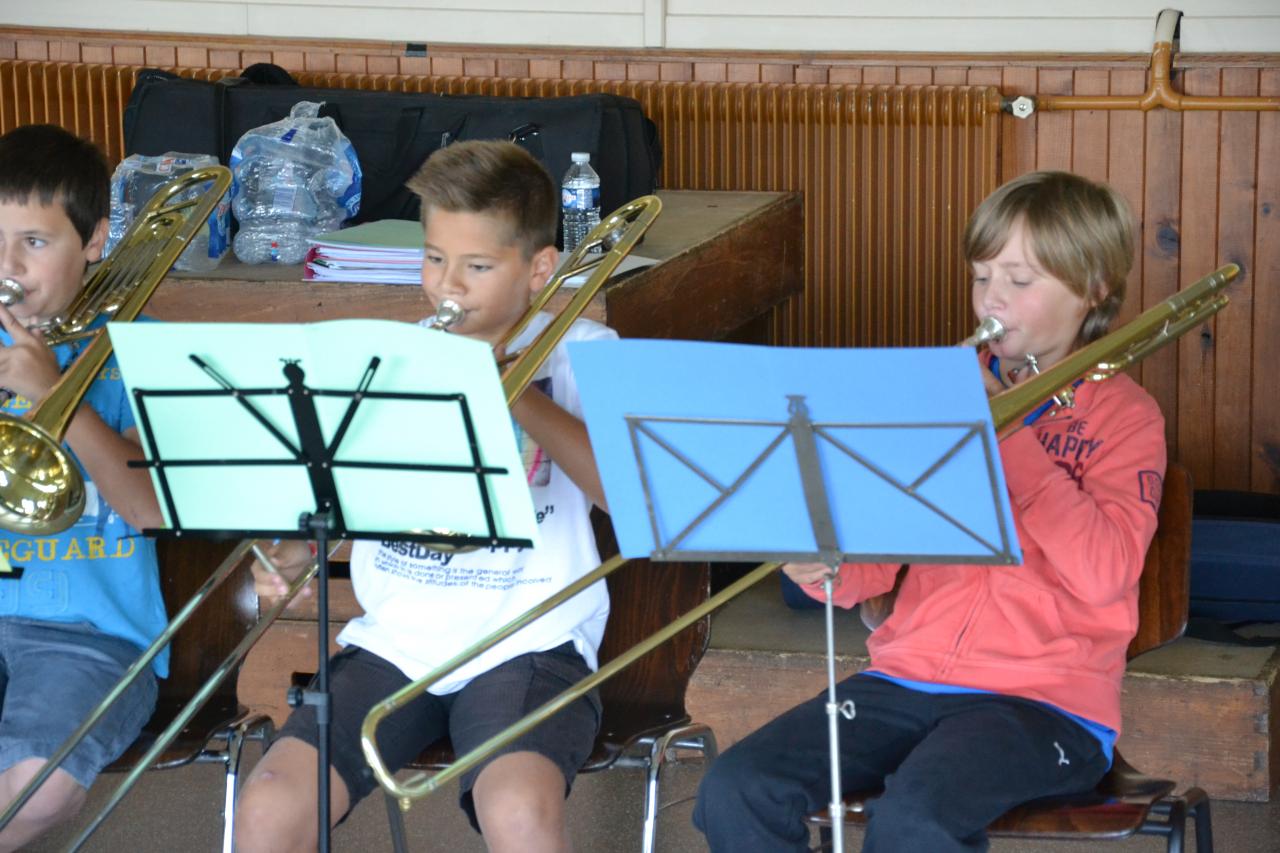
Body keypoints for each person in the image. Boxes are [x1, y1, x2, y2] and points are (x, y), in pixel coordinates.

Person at [693, 170, 1167, 853]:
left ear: (1093, 288)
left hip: (1047, 704)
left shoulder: (1126, 418)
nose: (992, 297)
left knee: (916, 819)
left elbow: (1105, 572)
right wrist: (822, 563)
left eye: (1019, 279)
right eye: (981, 277)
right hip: (903, 676)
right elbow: (870, 571)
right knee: (738, 786)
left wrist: (1005, 435)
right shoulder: (938, 397)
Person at [235, 140, 614, 853]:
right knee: (267, 806)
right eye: (435, 258)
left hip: (528, 642)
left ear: (539, 269)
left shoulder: (584, 350)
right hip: (396, 640)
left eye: (477, 266)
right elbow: (339, 490)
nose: (449, 285)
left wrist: (510, 388)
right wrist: (292, 554)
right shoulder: (385, 361)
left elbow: (620, 491)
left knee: (519, 812)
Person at [0, 124, 166, 851]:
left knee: (37, 786)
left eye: (34, 241)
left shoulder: (141, 348)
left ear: (95, 240)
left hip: (91, 633)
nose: (7, 265)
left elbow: (150, 509)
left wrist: (57, 396)